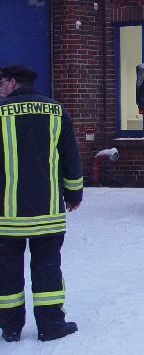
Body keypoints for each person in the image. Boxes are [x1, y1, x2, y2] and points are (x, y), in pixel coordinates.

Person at [0, 65, 83, 342]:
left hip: (6, 216)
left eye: (1, 83)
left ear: (12, 83)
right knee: (47, 268)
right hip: (48, 212)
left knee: (7, 272)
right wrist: (73, 195)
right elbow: (70, 157)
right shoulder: (57, 111)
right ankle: (51, 326)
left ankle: (10, 329)